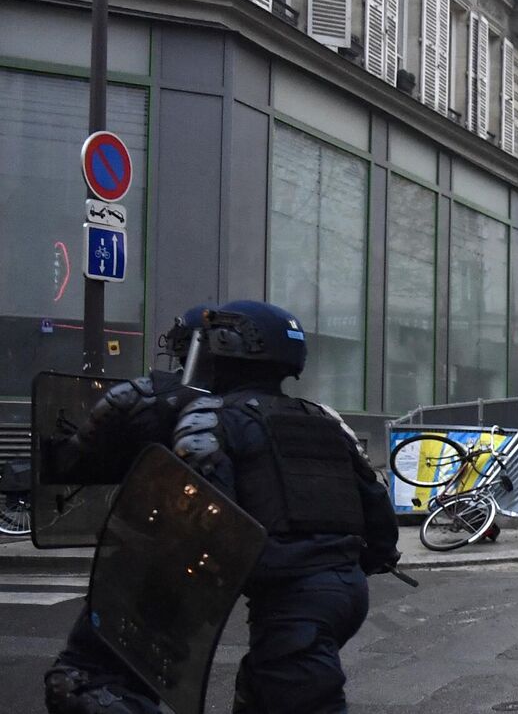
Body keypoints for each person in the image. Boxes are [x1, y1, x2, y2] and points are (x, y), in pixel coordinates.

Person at [169, 300, 401, 712]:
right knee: (261, 687)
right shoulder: (321, 418)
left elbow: (207, 516)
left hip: (293, 600)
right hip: (346, 588)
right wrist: (364, 558)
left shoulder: (213, 418)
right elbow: (375, 500)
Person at [44, 304, 212, 714]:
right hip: (222, 574)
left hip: (146, 559)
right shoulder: (304, 418)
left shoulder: (153, 398)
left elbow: (76, 457)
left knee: (88, 679)